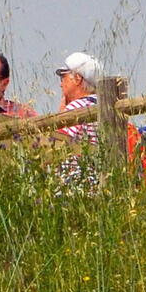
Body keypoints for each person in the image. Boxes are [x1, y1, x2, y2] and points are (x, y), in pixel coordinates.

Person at [53, 51, 103, 189]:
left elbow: (55, 145)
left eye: (63, 77)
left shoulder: (75, 108)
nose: (61, 84)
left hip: (75, 185)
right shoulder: (103, 105)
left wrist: (61, 114)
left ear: (77, 79)